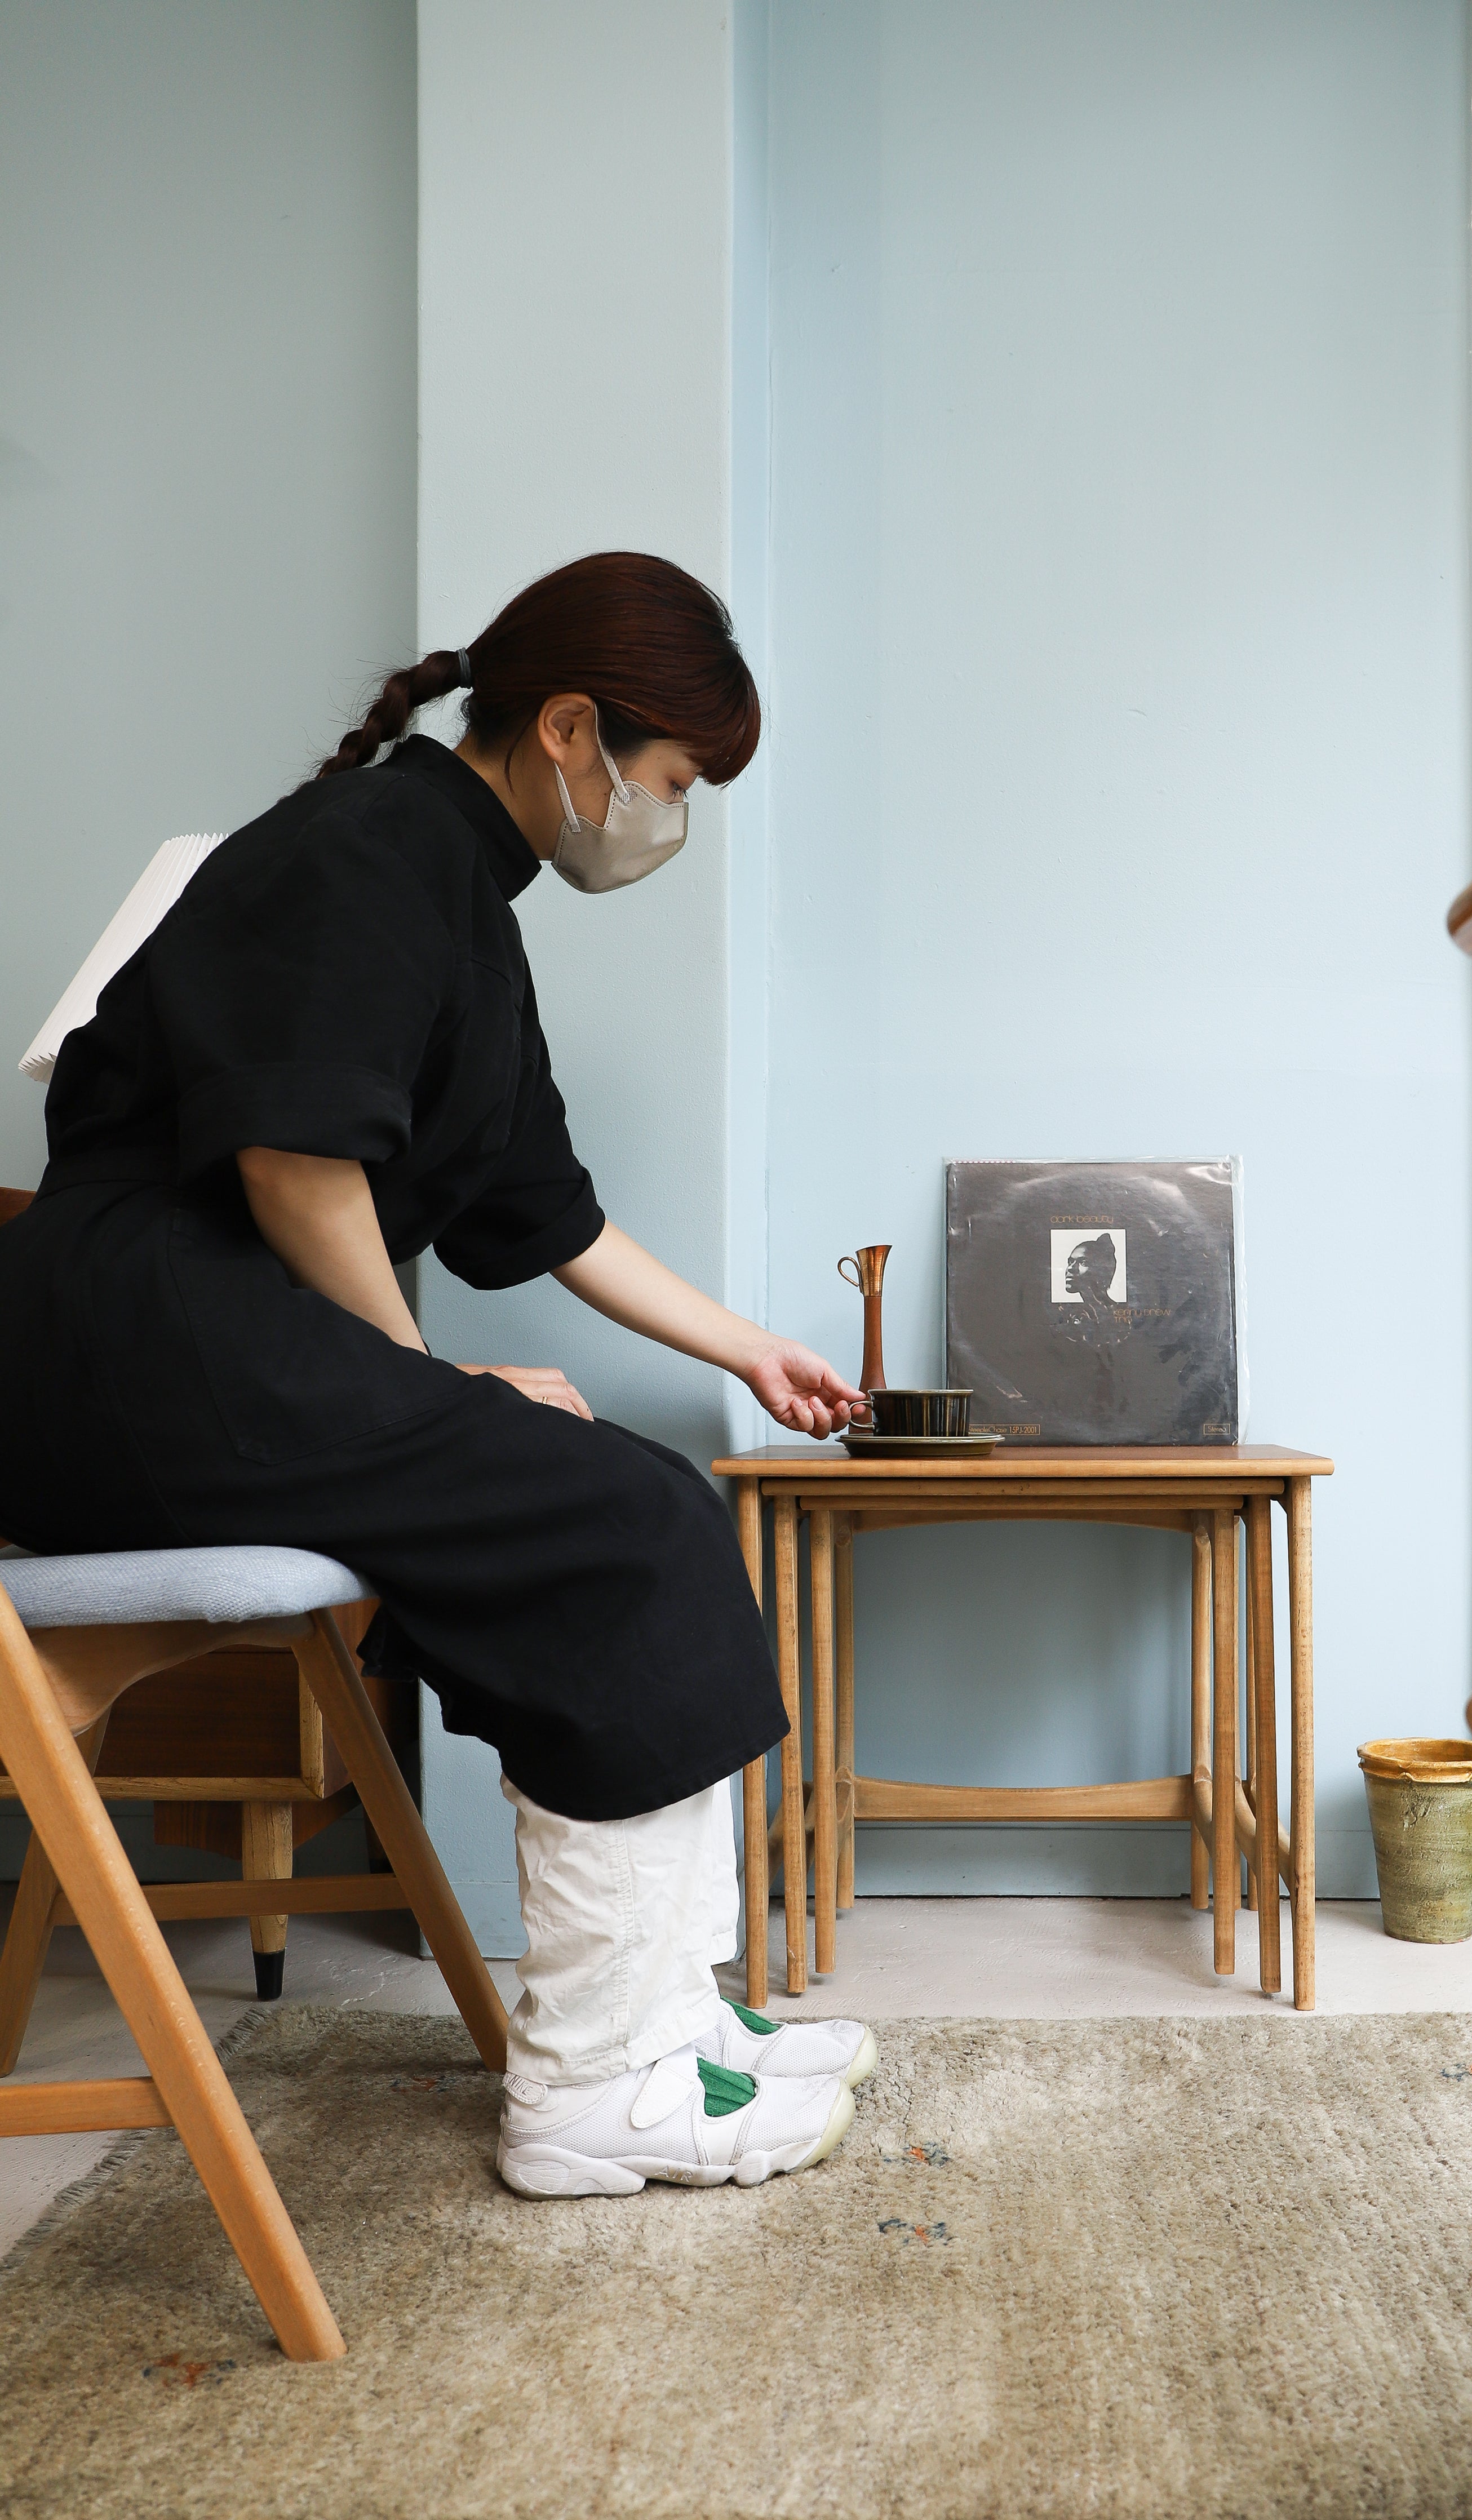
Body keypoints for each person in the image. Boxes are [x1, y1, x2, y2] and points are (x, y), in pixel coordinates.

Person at [0, 551, 877, 2200]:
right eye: (674, 782)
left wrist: (750, 1345)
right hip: (130, 1348)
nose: (670, 821)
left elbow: (554, 1218)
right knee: (623, 1524)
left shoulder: (454, 889)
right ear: (570, 730)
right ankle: (592, 2088)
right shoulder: (373, 850)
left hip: (214, 1342)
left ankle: (667, 2014)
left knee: (645, 1504)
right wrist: (429, 1390)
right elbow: (296, 1170)